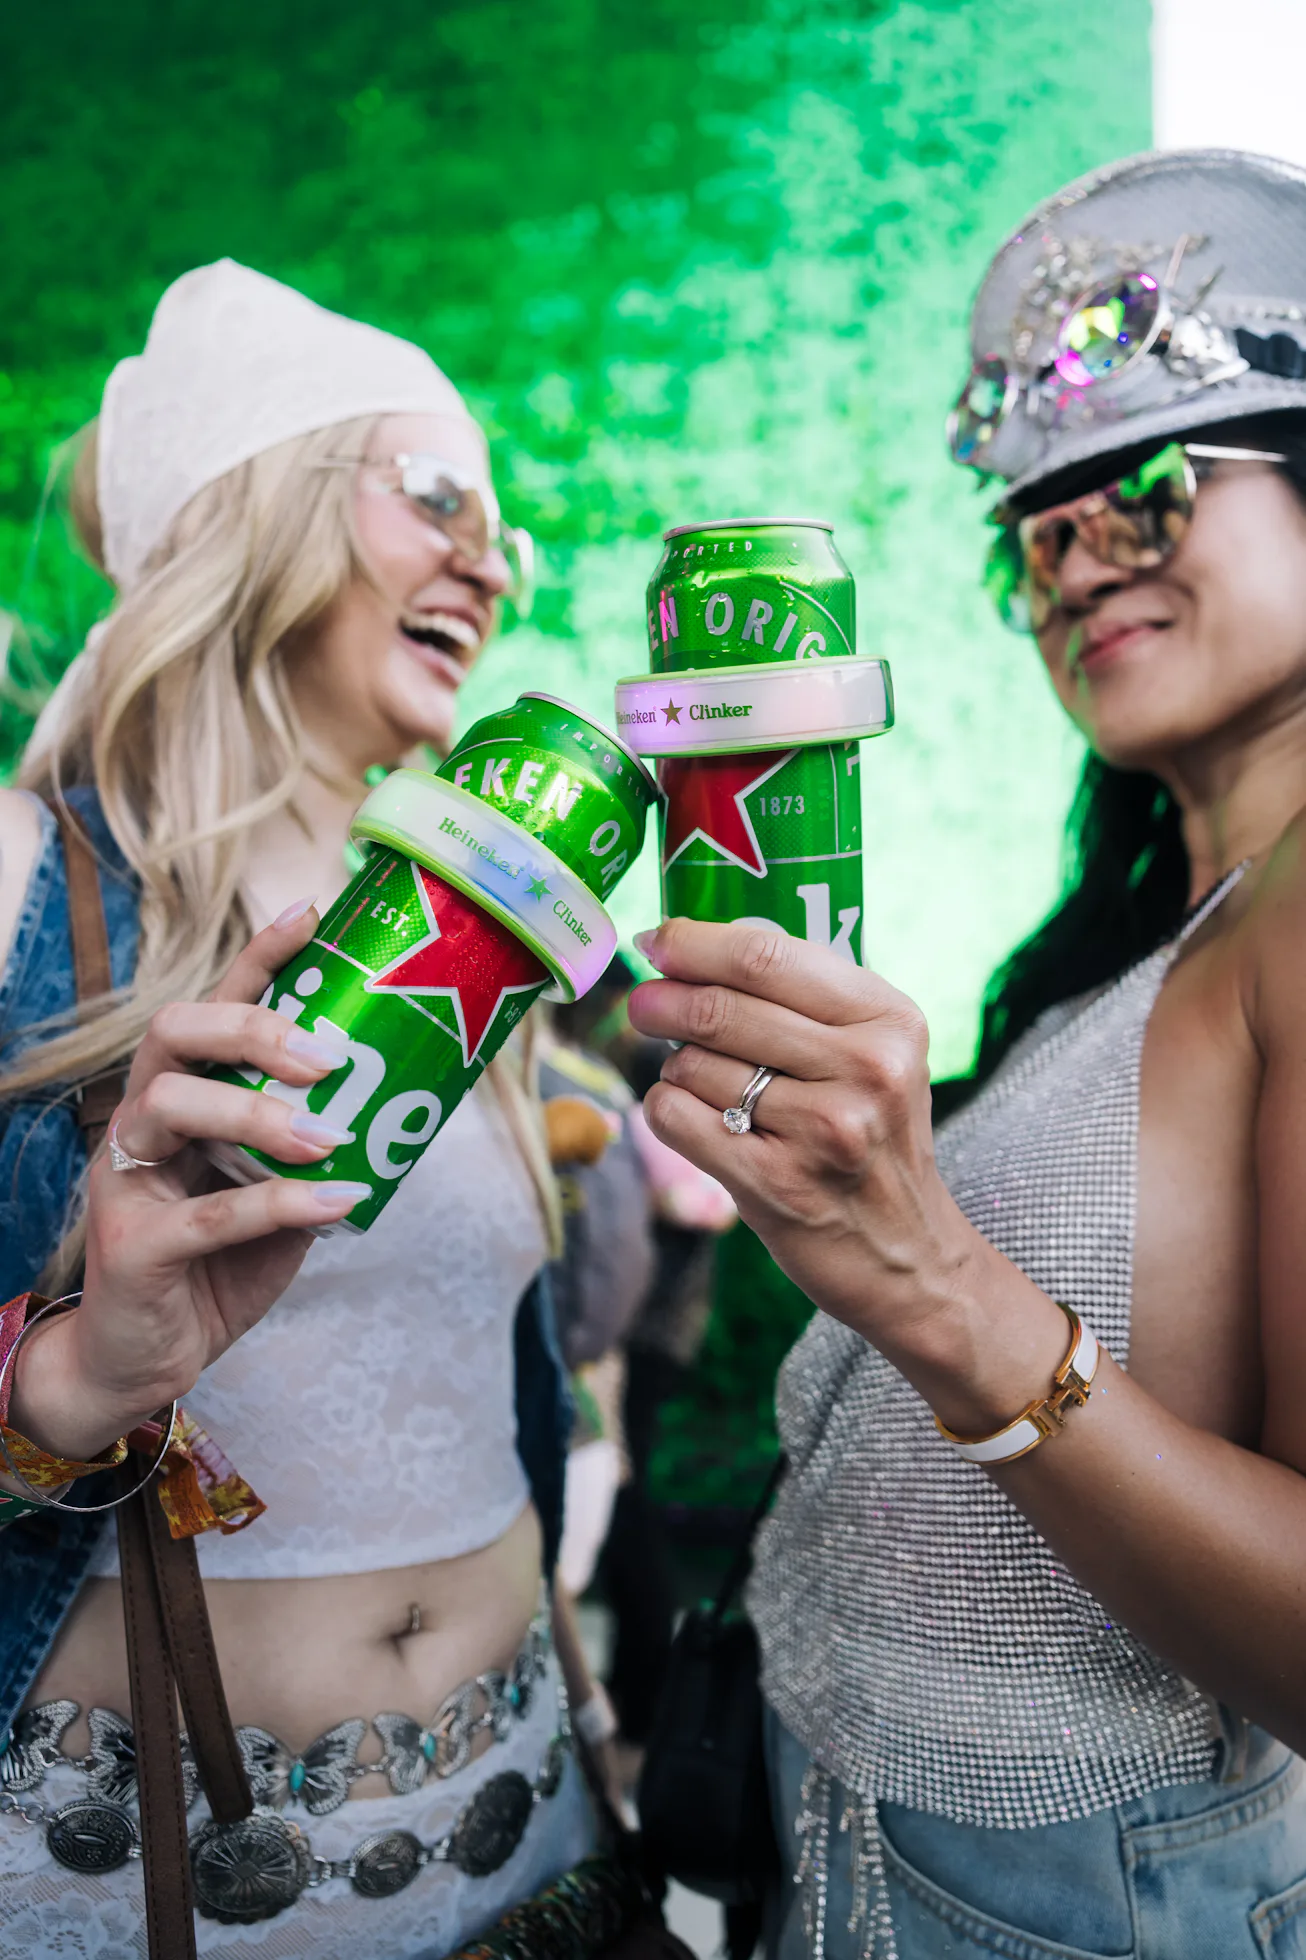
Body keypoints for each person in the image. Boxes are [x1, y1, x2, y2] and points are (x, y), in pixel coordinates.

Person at [625, 149, 1306, 1958]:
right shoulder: (1150, 930)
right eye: (1038, 515)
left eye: (1147, 487)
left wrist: (934, 1284)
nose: (1075, 548)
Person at [0, 260, 613, 1957]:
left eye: (507, 527)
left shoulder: (465, 945)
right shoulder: (18, 884)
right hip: (152, 1899)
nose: (490, 560)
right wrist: (60, 1380)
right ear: (249, 510)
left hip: (533, 1852)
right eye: (435, 497)